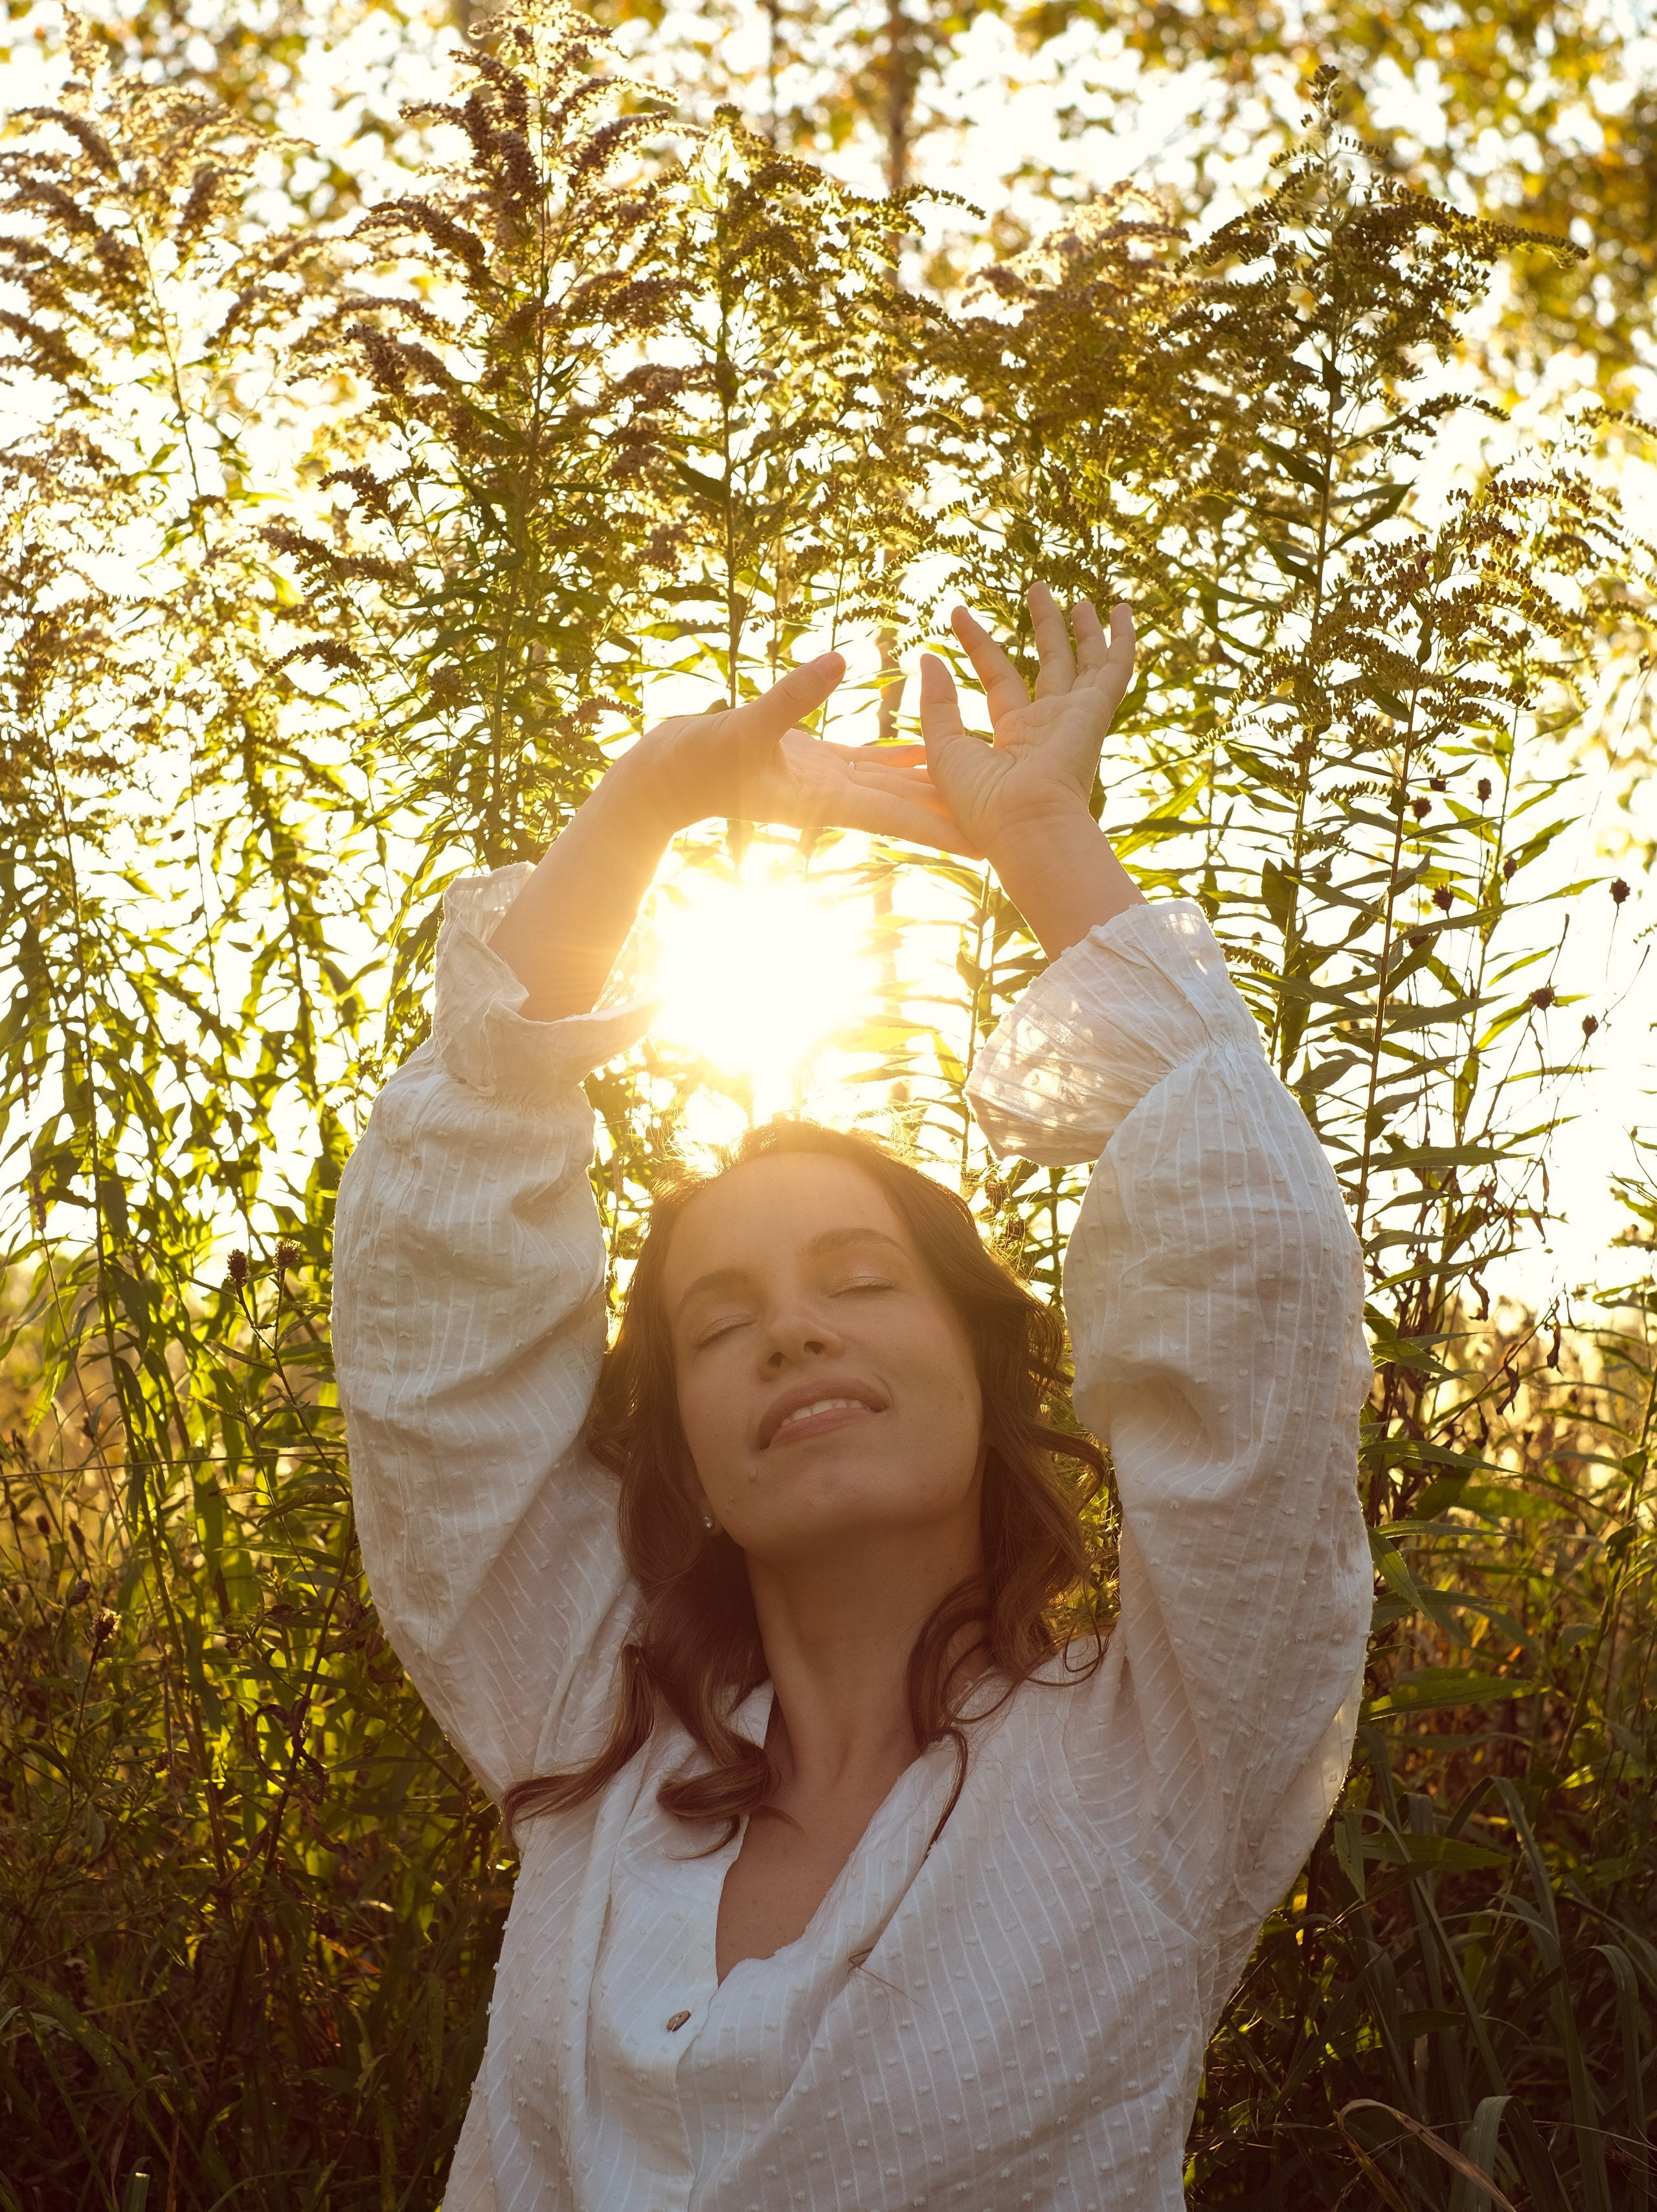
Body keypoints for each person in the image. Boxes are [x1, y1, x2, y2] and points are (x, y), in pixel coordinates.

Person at [331, 587, 1371, 2212]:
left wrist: (1034, 832)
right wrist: (642, 810)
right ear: (680, 1443)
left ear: (980, 1362)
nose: (792, 1333)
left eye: (859, 1281)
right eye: (717, 1320)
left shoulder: (1157, 1759)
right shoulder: (595, 1732)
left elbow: (1254, 1281)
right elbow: (437, 1346)